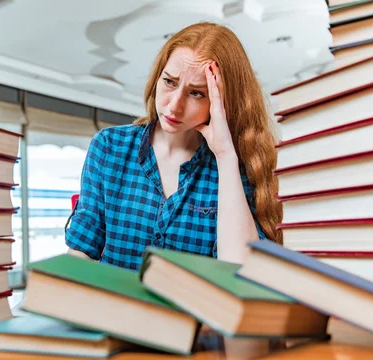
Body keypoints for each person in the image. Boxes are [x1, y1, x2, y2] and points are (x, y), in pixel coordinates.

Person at [66, 22, 282, 270]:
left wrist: (225, 156)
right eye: (169, 82)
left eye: (197, 93)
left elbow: (240, 272)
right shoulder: (109, 147)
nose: (174, 106)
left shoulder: (238, 168)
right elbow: (81, 252)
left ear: (221, 101)